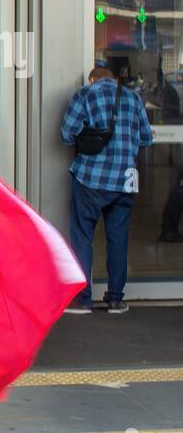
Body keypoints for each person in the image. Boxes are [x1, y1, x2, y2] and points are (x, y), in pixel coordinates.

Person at [60, 61, 153, 314]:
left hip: (90, 179)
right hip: (124, 181)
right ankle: (115, 299)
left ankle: (83, 299)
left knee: (82, 238)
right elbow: (146, 137)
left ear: (93, 80)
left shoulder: (85, 94)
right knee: (118, 239)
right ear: (112, 78)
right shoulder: (134, 98)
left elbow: (67, 134)